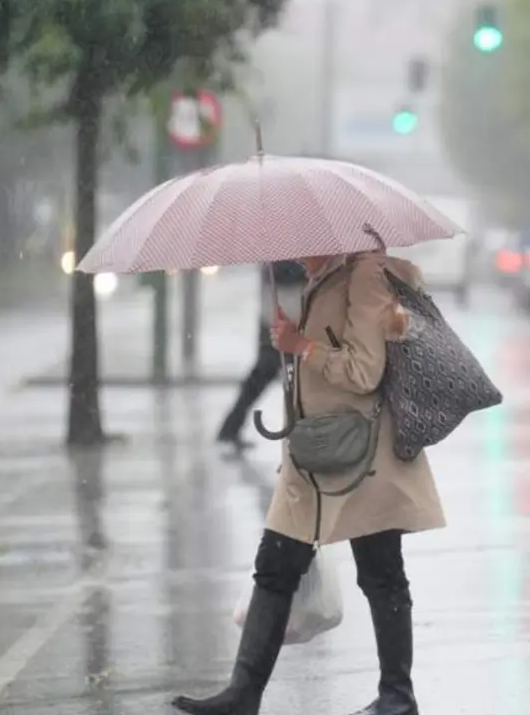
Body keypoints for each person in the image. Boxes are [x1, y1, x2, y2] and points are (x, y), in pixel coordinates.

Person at [173, 251, 443, 715]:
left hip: (363, 455)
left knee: (381, 575)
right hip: (314, 455)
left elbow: (365, 371)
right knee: (275, 567)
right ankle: (243, 694)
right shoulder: (319, 277)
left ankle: (398, 698)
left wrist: (303, 346)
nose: (294, 250)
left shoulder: (363, 276)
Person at [216, 261, 309, 451]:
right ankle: (230, 429)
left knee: (266, 380)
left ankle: (230, 429)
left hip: (278, 321)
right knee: (271, 378)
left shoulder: (275, 257)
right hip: (282, 323)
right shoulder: (285, 258)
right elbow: (288, 277)